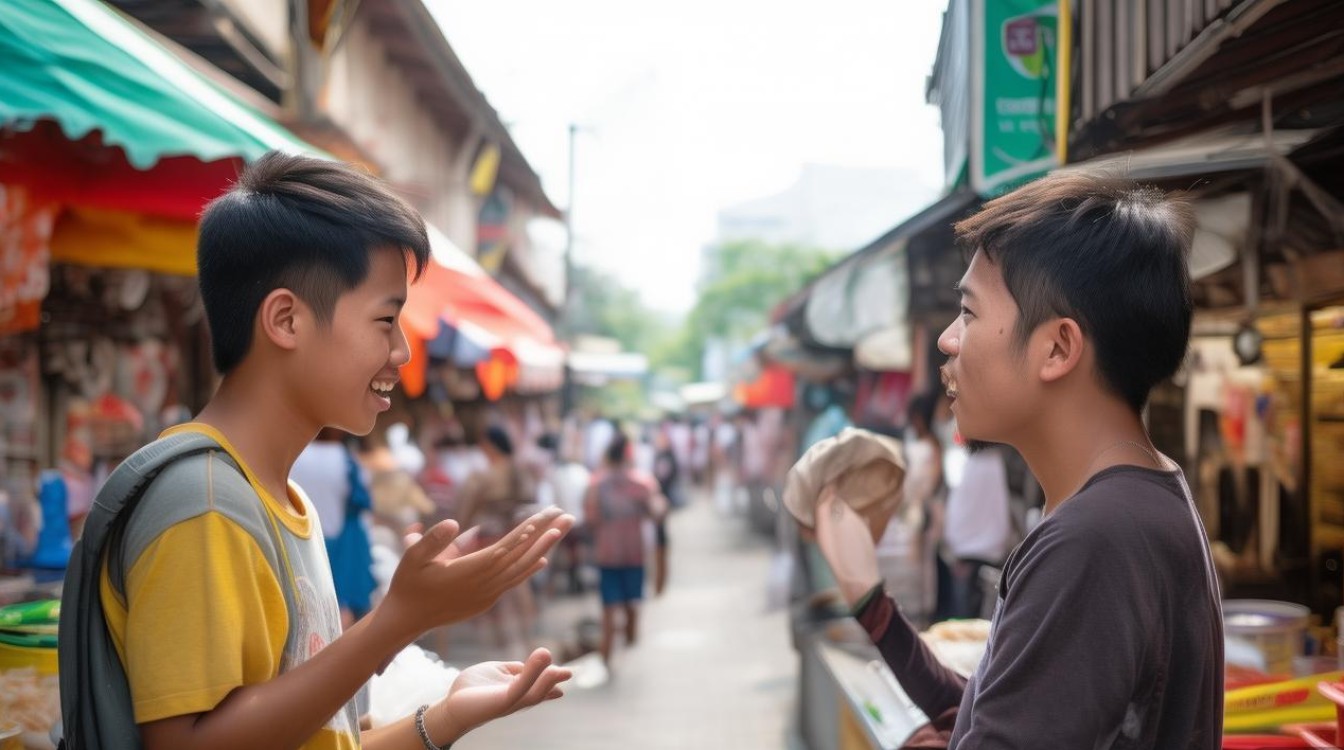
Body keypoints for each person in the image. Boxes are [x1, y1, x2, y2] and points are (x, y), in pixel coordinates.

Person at [82, 152, 573, 750]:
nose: (402, 351)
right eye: (385, 320)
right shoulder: (204, 504)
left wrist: (446, 717)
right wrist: (401, 619)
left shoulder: (279, 498)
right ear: (287, 320)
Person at [813, 173, 1223, 748]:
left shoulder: (1095, 540)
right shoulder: (1131, 504)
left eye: (969, 313)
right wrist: (870, 601)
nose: (947, 340)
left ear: (1057, 348)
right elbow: (1003, 713)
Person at [584, 432, 667, 668]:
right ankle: (629, 644)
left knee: (609, 608)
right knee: (633, 603)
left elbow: (591, 518)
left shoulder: (596, 484)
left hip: (607, 554)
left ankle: (607, 655)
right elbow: (657, 512)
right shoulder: (642, 483)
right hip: (633, 553)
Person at [290, 427, 377, 629]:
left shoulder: (295, 455)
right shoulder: (345, 458)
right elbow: (361, 504)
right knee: (340, 609)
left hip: (298, 539)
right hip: (339, 545)